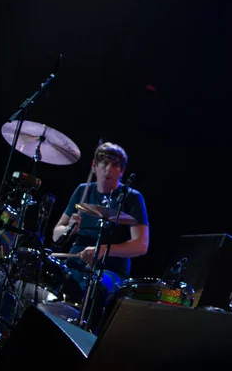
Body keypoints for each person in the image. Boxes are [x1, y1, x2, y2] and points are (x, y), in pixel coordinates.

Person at [52, 141, 149, 333]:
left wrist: (103, 251)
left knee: (95, 285)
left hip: (110, 269)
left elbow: (141, 245)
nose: (108, 170)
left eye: (115, 165)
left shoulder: (131, 197)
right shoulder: (83, 190)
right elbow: (56, 234)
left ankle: (84, 339)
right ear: (94, 166)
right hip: (75, 262)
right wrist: (69, 228)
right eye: (104, 164)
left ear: (122, 171)